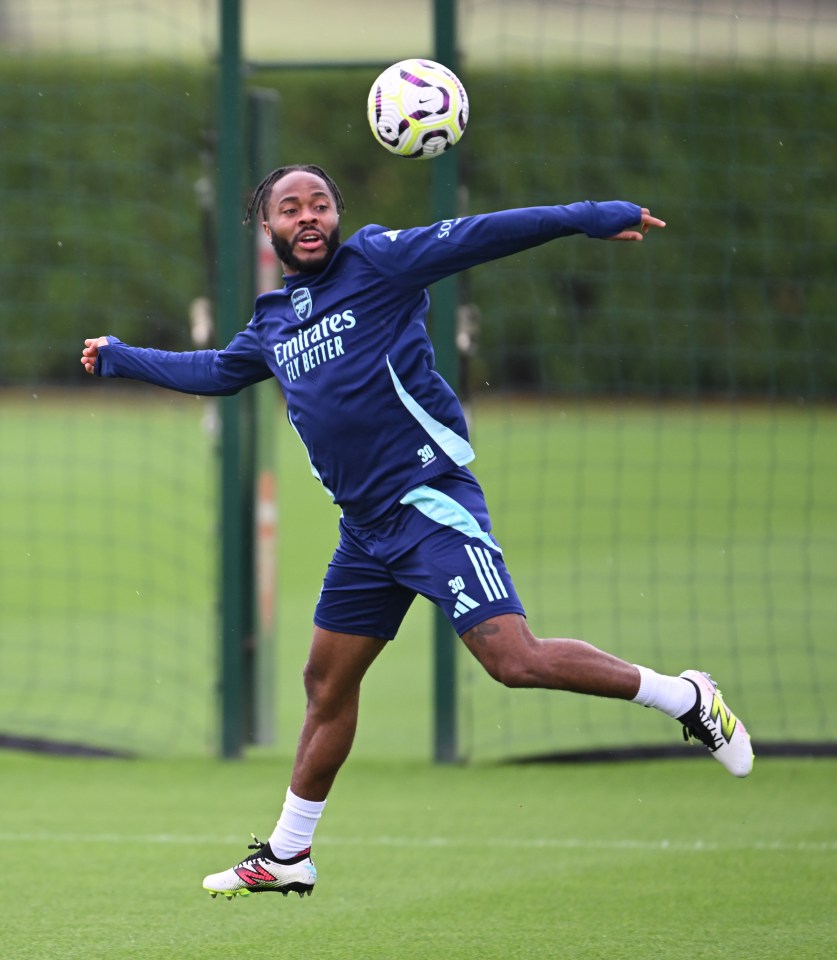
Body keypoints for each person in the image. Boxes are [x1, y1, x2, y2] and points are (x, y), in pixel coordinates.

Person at [80, 163, 753, 901]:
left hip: (429, 502)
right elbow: (216, 370)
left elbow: (482, 235)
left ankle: (684, 698)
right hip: (365, 532)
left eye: (320, 204)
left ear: (337, 215)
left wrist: (585, 215)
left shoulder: (378, 260)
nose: (308, 216)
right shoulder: (273, 320)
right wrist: (120, 358)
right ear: (265, 229)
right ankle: (287, 854)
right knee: (325, 685)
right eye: (289, 208)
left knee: (512, 660)